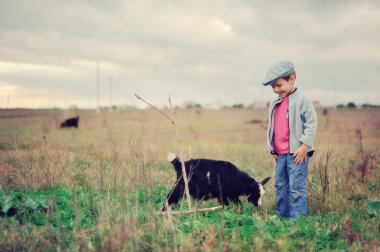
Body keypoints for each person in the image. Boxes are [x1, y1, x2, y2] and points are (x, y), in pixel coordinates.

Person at [261, 60, 317, 219]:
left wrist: (305, 145)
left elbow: (311, 123)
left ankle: (298, 217)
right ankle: (283, 215)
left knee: (296, 187)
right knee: (281, 185)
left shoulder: (302, 100)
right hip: (280, 153)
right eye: (273, 87)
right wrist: (273, 149)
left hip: (297, 153)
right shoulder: (275, 102)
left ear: (292, 78)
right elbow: (274, 127)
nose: (276, 90)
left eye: (279, 85)